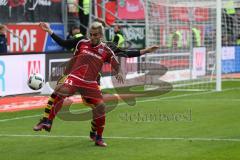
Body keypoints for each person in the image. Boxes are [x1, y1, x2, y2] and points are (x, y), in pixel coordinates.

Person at [35, 22, 159, 145]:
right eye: (91, 34)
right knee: (60, 90)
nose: (92, 37)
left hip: (91, 83)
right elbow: (66, 47)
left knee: (100, 107)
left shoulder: (107, 49)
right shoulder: (81, 42)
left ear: (101, 35)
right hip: (75, 78)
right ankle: (47, 121)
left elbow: (123, 55)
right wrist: (50, 31)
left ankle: (97, 136)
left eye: (95, 35)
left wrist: (143, 53)